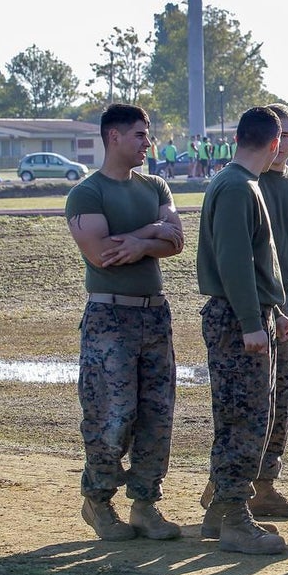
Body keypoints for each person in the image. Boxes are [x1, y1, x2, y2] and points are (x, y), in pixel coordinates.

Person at [64, 103, 184, 542]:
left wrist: (136, 239)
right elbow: (101, 253)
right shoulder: (87, 194)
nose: (147, 142)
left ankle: (145, 505)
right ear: (113, 137)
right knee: (112, 415)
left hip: (154, 313)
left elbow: (178, 238)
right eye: (139, 134)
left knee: (157, 415)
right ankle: (97, 500)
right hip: (109, 316)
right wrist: (153, 235)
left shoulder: (154, 184)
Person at [197, 105, 288, 555]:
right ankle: (236, 517)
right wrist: (252, 323)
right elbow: (234, 261)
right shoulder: (237, 186)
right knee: (248, 419)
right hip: (239, 320)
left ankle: (220, 511)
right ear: (274, 144)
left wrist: (274, 309)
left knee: (240, 416)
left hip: (249, 313)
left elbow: (254, 263)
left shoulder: (239, 182)